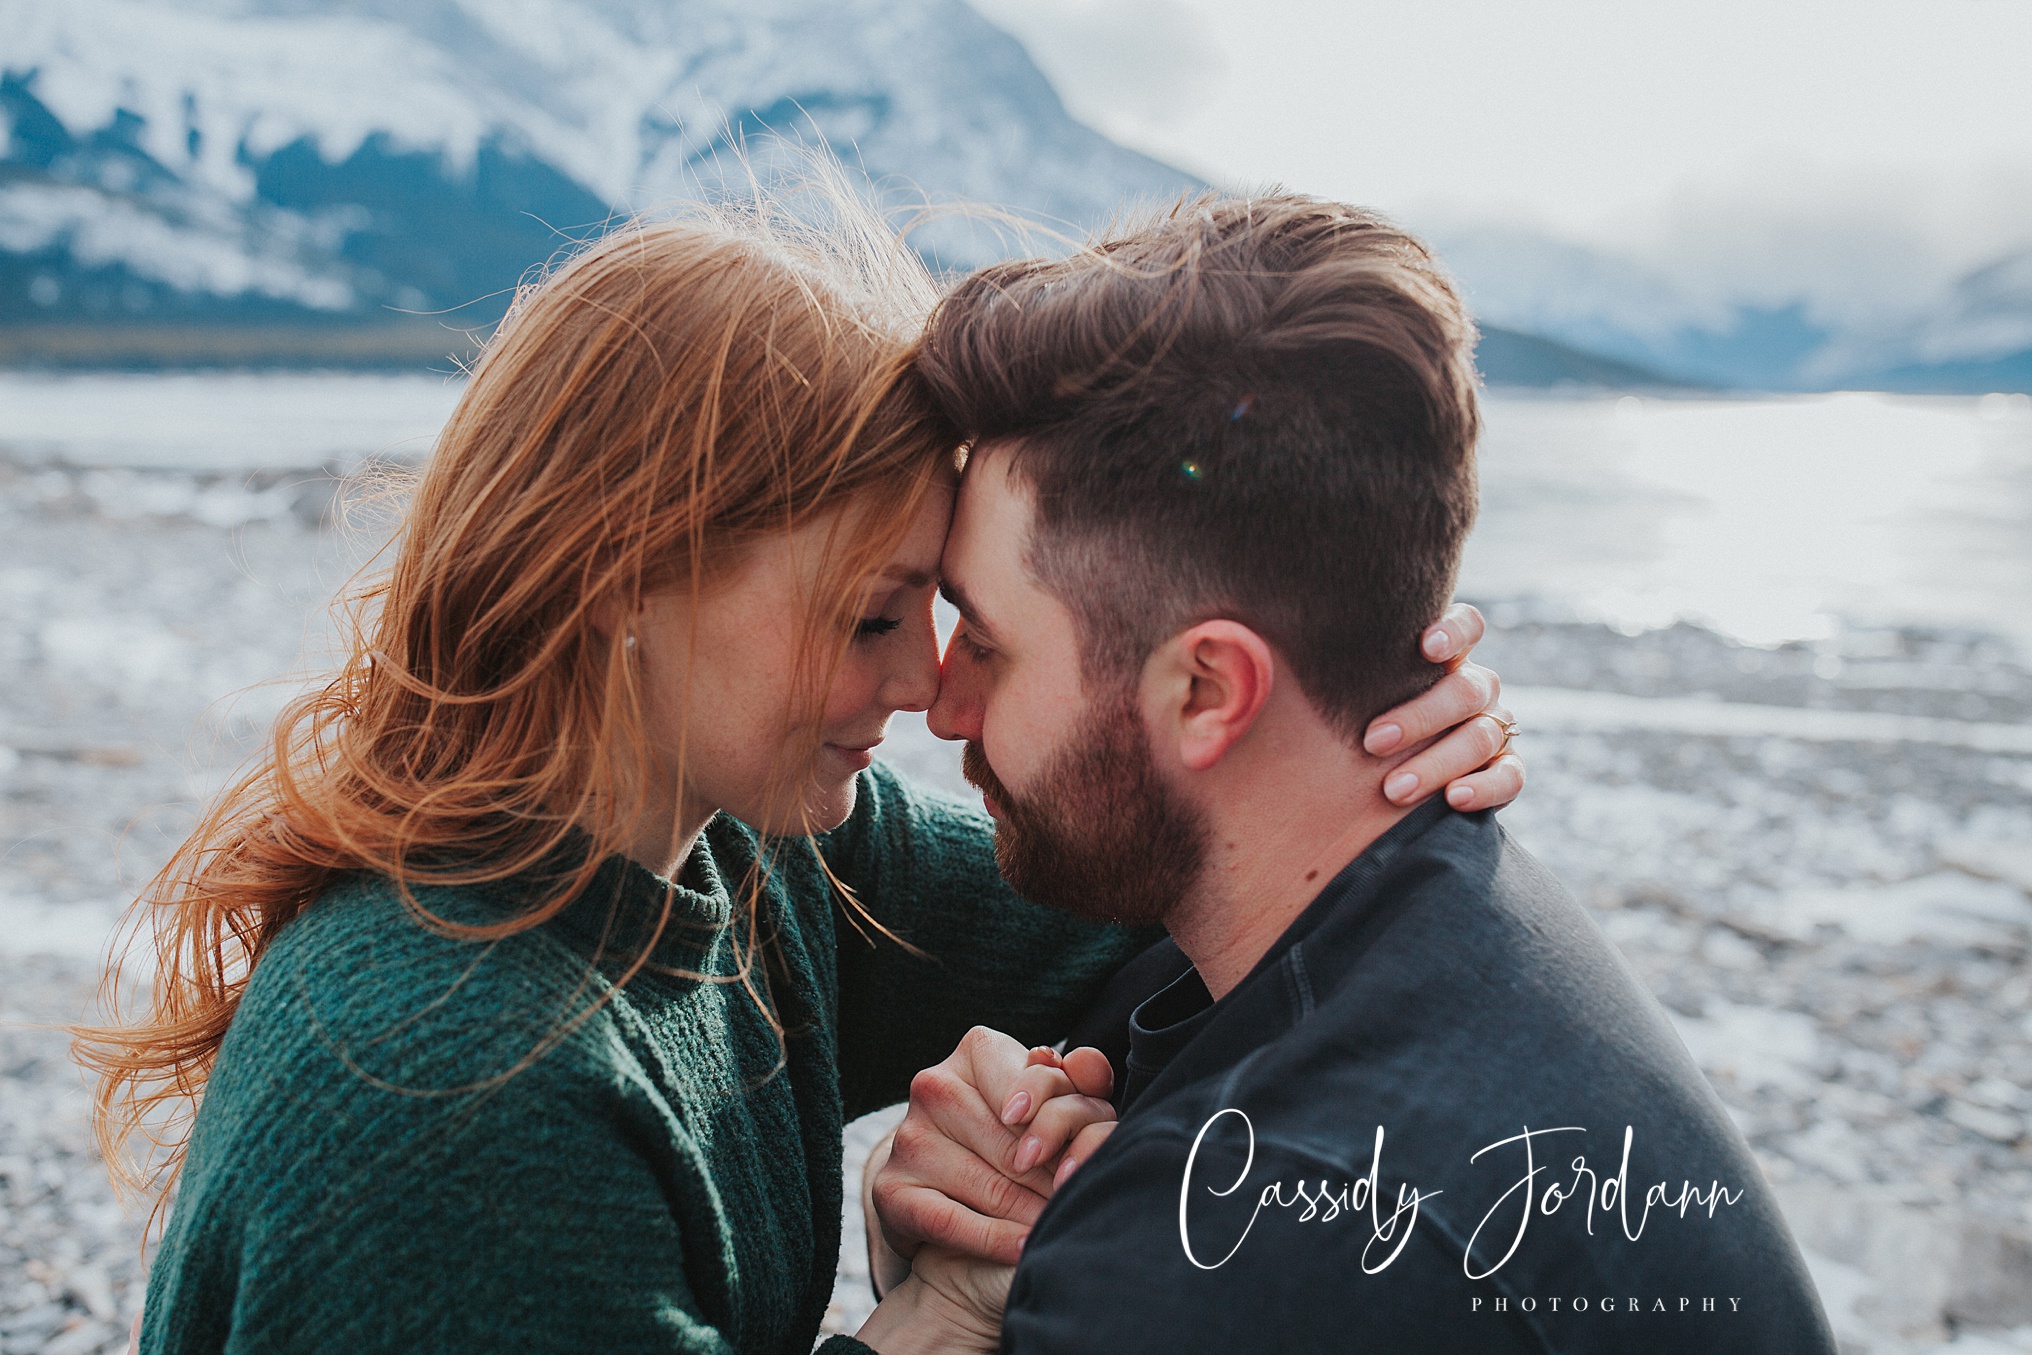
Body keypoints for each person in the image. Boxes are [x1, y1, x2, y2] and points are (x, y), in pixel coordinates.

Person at [81, 177, 1521, 1355]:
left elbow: (1170, 892)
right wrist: (945, 1308)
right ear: (627, 577)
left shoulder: (746, 851)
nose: (925, 684)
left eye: (948, 613)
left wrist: (1348, 743)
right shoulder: (455, 1086)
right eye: (872, 614)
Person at [865, 192, 1838, 1353]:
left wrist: (940, 1307)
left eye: (983, 636)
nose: (941, 702)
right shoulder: (1418, 920)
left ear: (1210, 691)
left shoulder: (1247, 1239)